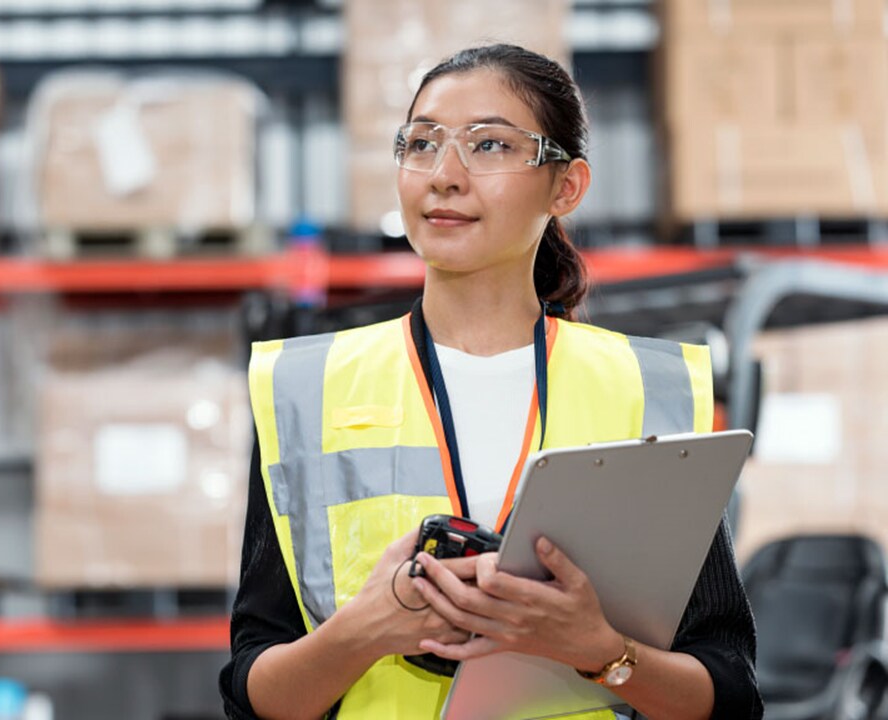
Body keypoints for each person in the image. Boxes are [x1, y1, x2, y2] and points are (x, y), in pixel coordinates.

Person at [218, 44, 762, 720]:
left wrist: (597, 649)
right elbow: (252, 693)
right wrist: (366, 631)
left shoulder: (647, 387)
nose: (444, 175)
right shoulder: (305, 387)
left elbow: (728, 694)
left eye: (489, 145)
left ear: (566, 186)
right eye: (421, 143)